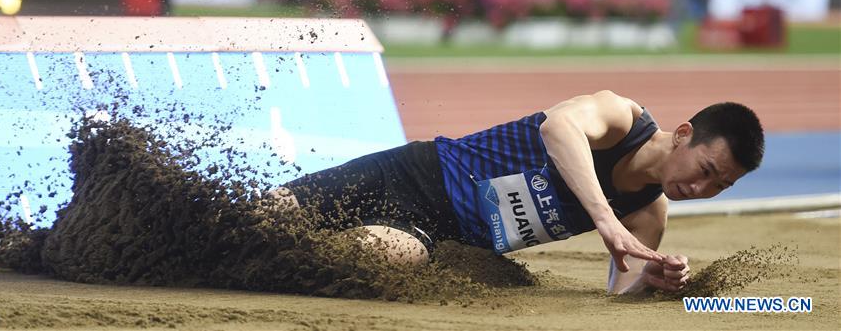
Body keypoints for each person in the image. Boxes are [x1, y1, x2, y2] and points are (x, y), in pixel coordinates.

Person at [270, 90, 764, 295]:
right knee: (268, 213)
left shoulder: (647, 216)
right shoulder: (620, 118)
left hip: (435, 233)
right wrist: (603, 218)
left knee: (374, 254)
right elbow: (558, 128)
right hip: (412, 171)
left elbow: (619, 294)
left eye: (719, 186)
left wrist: (648, 285)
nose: (700, 188)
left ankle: (249, 271)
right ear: (683, 134)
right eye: (704, 169)